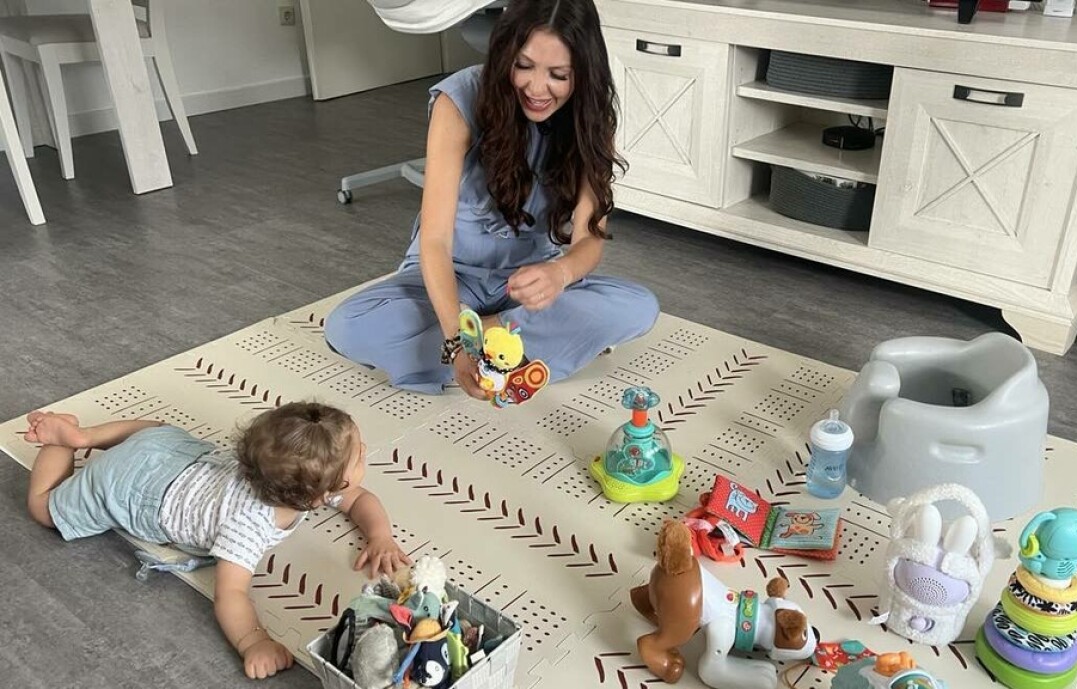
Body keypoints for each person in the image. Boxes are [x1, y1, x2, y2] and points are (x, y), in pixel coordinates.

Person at [324, 0, 659, 399]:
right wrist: (456, 340)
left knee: (639, 307)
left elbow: (589, 239)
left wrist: (561, 274)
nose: (537, 88)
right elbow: (435, 241)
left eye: (558, 75)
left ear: (583, 72)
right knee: (346, 326)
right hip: (453, 278)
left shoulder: (591, 118)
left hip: (527, 288)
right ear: (504, 55)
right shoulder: (458, 100)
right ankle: (515, 352)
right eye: (523, 66)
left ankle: (490, 344)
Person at [23, 403, 410, 680]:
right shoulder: (248, 526)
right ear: (319, 496)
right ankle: (63, 443)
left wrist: (379, 535)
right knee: (44, 508)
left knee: (155, 428)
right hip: (134, 487)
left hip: (168, 448)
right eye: (359, 456)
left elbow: (357, 499)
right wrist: (253, 642)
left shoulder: (289, 478)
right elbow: (230, 594)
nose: (364, 452)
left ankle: (87, 434)